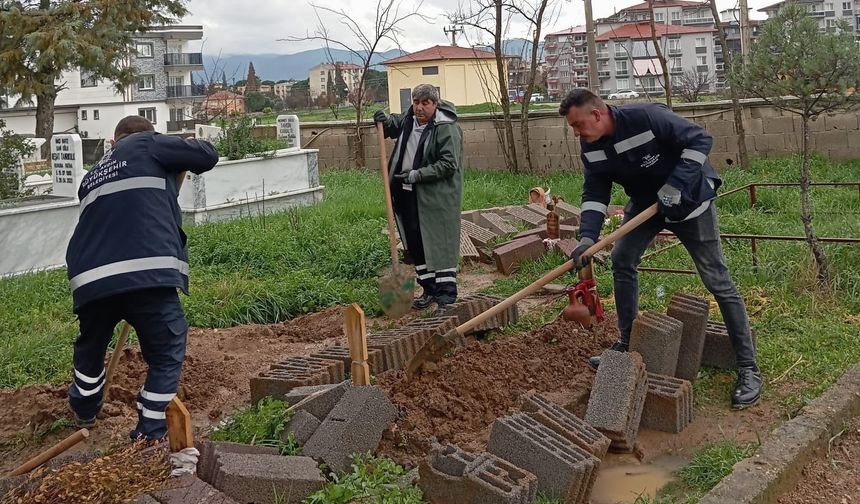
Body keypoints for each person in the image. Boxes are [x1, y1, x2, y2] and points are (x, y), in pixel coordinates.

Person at [559, 89, 761, 409]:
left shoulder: (647, 118)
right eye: (573, 128)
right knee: (622, 259)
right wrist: (587, 238)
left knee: (716, 279)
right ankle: (626, 343)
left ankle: (748, 369)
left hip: (691, 201)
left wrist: (676, 184)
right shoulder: (591, 146)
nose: (576, 133)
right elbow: (595, 192)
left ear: (597, 114)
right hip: (645, 206)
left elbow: (700, 140)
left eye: (578, 124)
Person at [65, 115, 219, 440]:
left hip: (90, 277)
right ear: (153, 135)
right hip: (146, 270)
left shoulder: (92, 175)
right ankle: (150, 431)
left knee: (90, 347)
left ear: (112, 142)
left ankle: (83, 409)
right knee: (166, 349)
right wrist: (177, 147)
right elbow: (206, 154)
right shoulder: (149, 143)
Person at [374, 84, 464, 315]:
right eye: (416, 102)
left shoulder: (446, 127)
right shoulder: (409, 118)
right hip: (407, 193)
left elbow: (448, 164)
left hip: (436, 198)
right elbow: (393, 126)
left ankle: (446, 298)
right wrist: (383, 120)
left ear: (436, 104)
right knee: (416, 244)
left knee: (440, 244)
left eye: (425, 103)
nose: (419, 108)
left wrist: (418, 174)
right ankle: (429, 290)